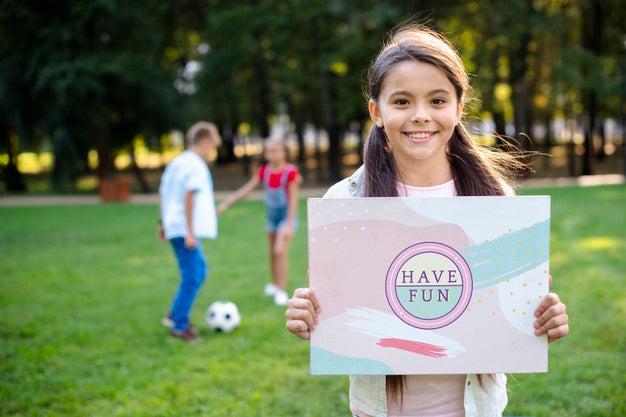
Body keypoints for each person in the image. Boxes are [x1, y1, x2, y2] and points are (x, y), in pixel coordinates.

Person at [285, 25, 570, 417]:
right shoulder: (346, 203)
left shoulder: (495, 201)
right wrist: (309, 317)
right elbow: (337, 314)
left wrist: (540, 317)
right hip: (378, 409)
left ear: (458, 107)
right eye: (401, 102)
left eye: (437, 100)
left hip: (475, 408)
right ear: (377, 112)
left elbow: (509, 317)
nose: (421, 116)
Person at [217, 137, 301, 306]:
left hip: (286, 217)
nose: (271, 155)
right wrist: (227, 203)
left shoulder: (290, 172)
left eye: (275, 151)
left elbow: (293, 201)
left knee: (279, 251)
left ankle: (281, 290)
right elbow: (247, 190)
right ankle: (274, 284)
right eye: (268, 151)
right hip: (272, 217)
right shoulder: (265, 171)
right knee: (272, 252)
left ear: (283, 152)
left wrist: (289, 225)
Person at [158, 121, 222, 342]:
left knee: (198, 270)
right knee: (193, 275)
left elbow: (163, 192)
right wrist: (190, 232)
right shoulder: (194, 165)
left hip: (175, 226)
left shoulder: (177, 162)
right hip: (185, 229)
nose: (212, 151)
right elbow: (189, 196)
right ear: (204, 141)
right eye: (213, 146)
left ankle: (176, 313)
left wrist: (162, 222)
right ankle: (179, 326)